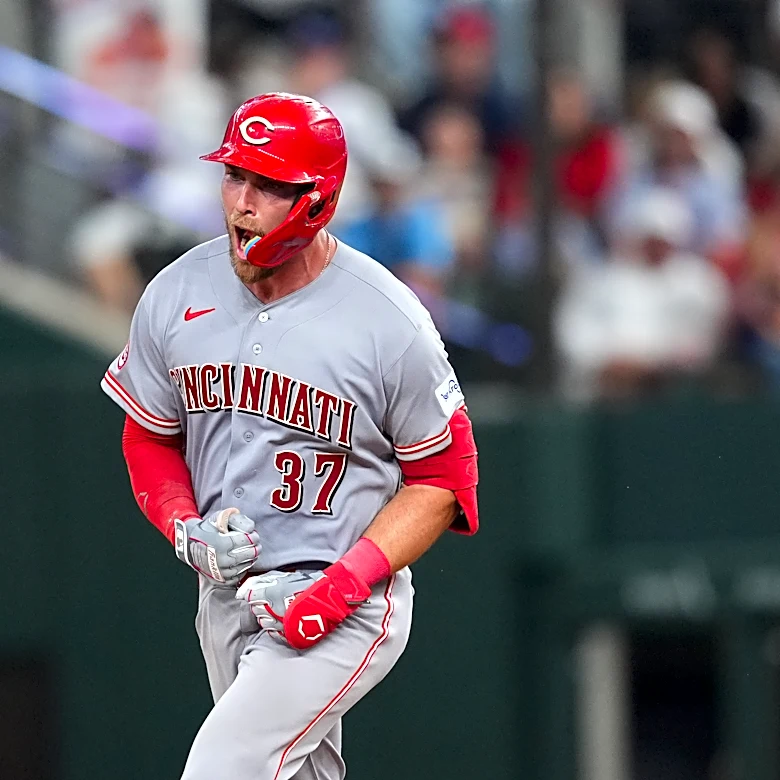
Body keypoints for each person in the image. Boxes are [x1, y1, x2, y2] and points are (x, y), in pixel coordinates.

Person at [100, 92, 479, 780]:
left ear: (317, 198)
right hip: (227, 593)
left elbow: (445, 483)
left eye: (268, 184)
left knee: (223, 769)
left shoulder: (388, 318)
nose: (242, 201)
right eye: (234, 175)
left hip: (344, 599)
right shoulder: (175, 290)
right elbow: (149, 436)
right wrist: (182, 526)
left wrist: (338, 589)